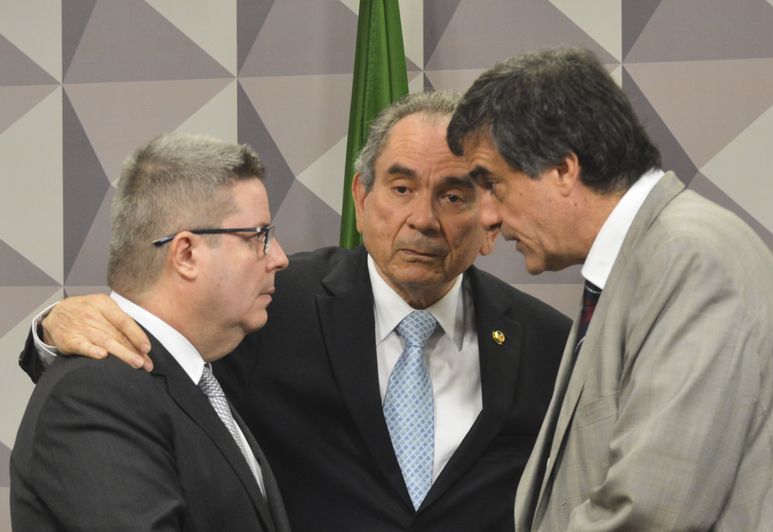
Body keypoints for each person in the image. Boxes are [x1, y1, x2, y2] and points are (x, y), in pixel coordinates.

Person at [19, 92, 571, 531]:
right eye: (402, 188)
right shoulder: (270, 305)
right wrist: (51, 331)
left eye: (452, 196)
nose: (424, 219)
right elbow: (155, 367)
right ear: (360, 199)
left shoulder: (551, 346)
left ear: (490, 218)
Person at [447, 47, 773, 531]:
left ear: (564, 170)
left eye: (492, 183)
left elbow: (650, 512)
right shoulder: (645, 259)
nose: (487, 215)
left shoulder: (688, 261)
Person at [11, 133, 291, 532]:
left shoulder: (189, 380)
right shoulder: (95, 394)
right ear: (187, 254)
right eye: (259, 236)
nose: (279, 257)